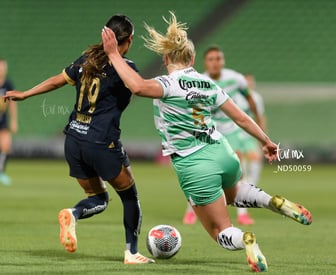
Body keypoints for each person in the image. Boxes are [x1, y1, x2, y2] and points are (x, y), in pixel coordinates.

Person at [101, 12, 312, 272]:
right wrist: (267, 141)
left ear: (166, 58)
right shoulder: (208, 84)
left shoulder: (167, 83)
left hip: (194, 165)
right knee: (232, 192)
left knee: (219, 231)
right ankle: (271, 201)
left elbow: (137, 86)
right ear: (191, 59)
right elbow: (242, 119)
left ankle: (246, 239)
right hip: (224, 153)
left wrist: (113, 55)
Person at [4, 15, 154, 264]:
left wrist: (26, 93)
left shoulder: (85, 61)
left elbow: (56, 80)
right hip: (102, 142)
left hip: (73, 141)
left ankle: (73, 213)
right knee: (129, 197)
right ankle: (132, 252)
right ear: (128, 40)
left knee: (99, 198)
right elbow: (139, 87)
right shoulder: (127, 67)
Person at [182, 46, 261, 225]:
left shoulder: (235, 79)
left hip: (231, 130)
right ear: (205, 62)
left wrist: (257, 121)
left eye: (218, 58)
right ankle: (192, 210)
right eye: (211, 59)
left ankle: (242, 213)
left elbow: (250, 99)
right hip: (208, 131)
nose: (215, 62)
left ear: (223, 61)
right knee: (201, 171)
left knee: (238, 169)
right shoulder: (198, 81)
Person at [0, 59, 18, 186]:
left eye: (3, 67)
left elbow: (12, 104)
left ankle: (1, 173)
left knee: (6, 145)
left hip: (2, 121)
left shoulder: (8, 84)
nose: (2, 69)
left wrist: (13, 121)